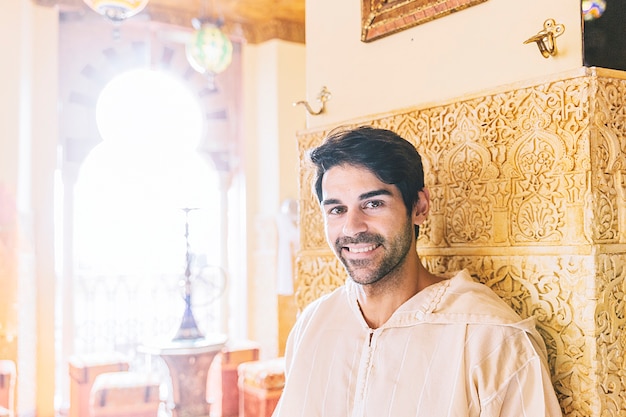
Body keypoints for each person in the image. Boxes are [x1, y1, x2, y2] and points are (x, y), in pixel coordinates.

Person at [272, 126, 563, 417]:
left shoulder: (491, 338)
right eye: (337, 210)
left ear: (420, 207)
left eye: (373, 204)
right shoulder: (312, 325)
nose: (352, 227)